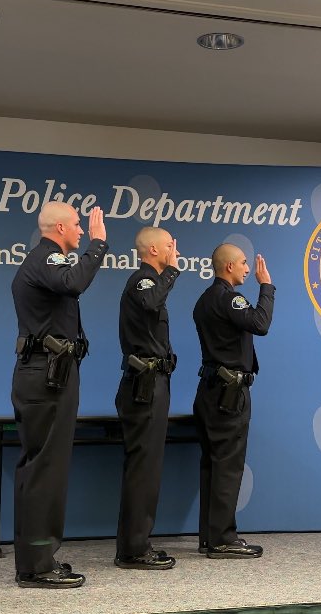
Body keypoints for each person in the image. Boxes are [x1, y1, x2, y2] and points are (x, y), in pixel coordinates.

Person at [10, 202, 108, 588]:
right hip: (45, 377)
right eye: (79, 225)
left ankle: (38, 558)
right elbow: (74, 282)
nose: (83, 231)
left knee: (45, 468)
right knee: (44, 469)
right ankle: (36, 565)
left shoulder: (46, 261)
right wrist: (98, 246)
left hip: (51, 374)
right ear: (61, 227)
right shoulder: (46, 259)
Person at [192, 243, 274, 559]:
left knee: (212, 466)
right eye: (242, 263)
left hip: (209, 391)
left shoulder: (203, 300)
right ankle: (222, 539)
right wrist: (266, 286)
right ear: (228, 267)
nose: (246, 269)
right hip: (229, 395)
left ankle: (209, 537)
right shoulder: (229, 298)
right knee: (227, 466)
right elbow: (260, 324)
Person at [114, 227, 180, 570]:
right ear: (154, 249)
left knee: (147, 469)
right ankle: (133, 549)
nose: (175, 250)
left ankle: (135, 544)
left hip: (154, 383)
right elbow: (152, 301)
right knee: (143, 469)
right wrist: (170, 271)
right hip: (143, 386)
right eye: (170, 245)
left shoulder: (153, 282)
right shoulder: (142, 280)